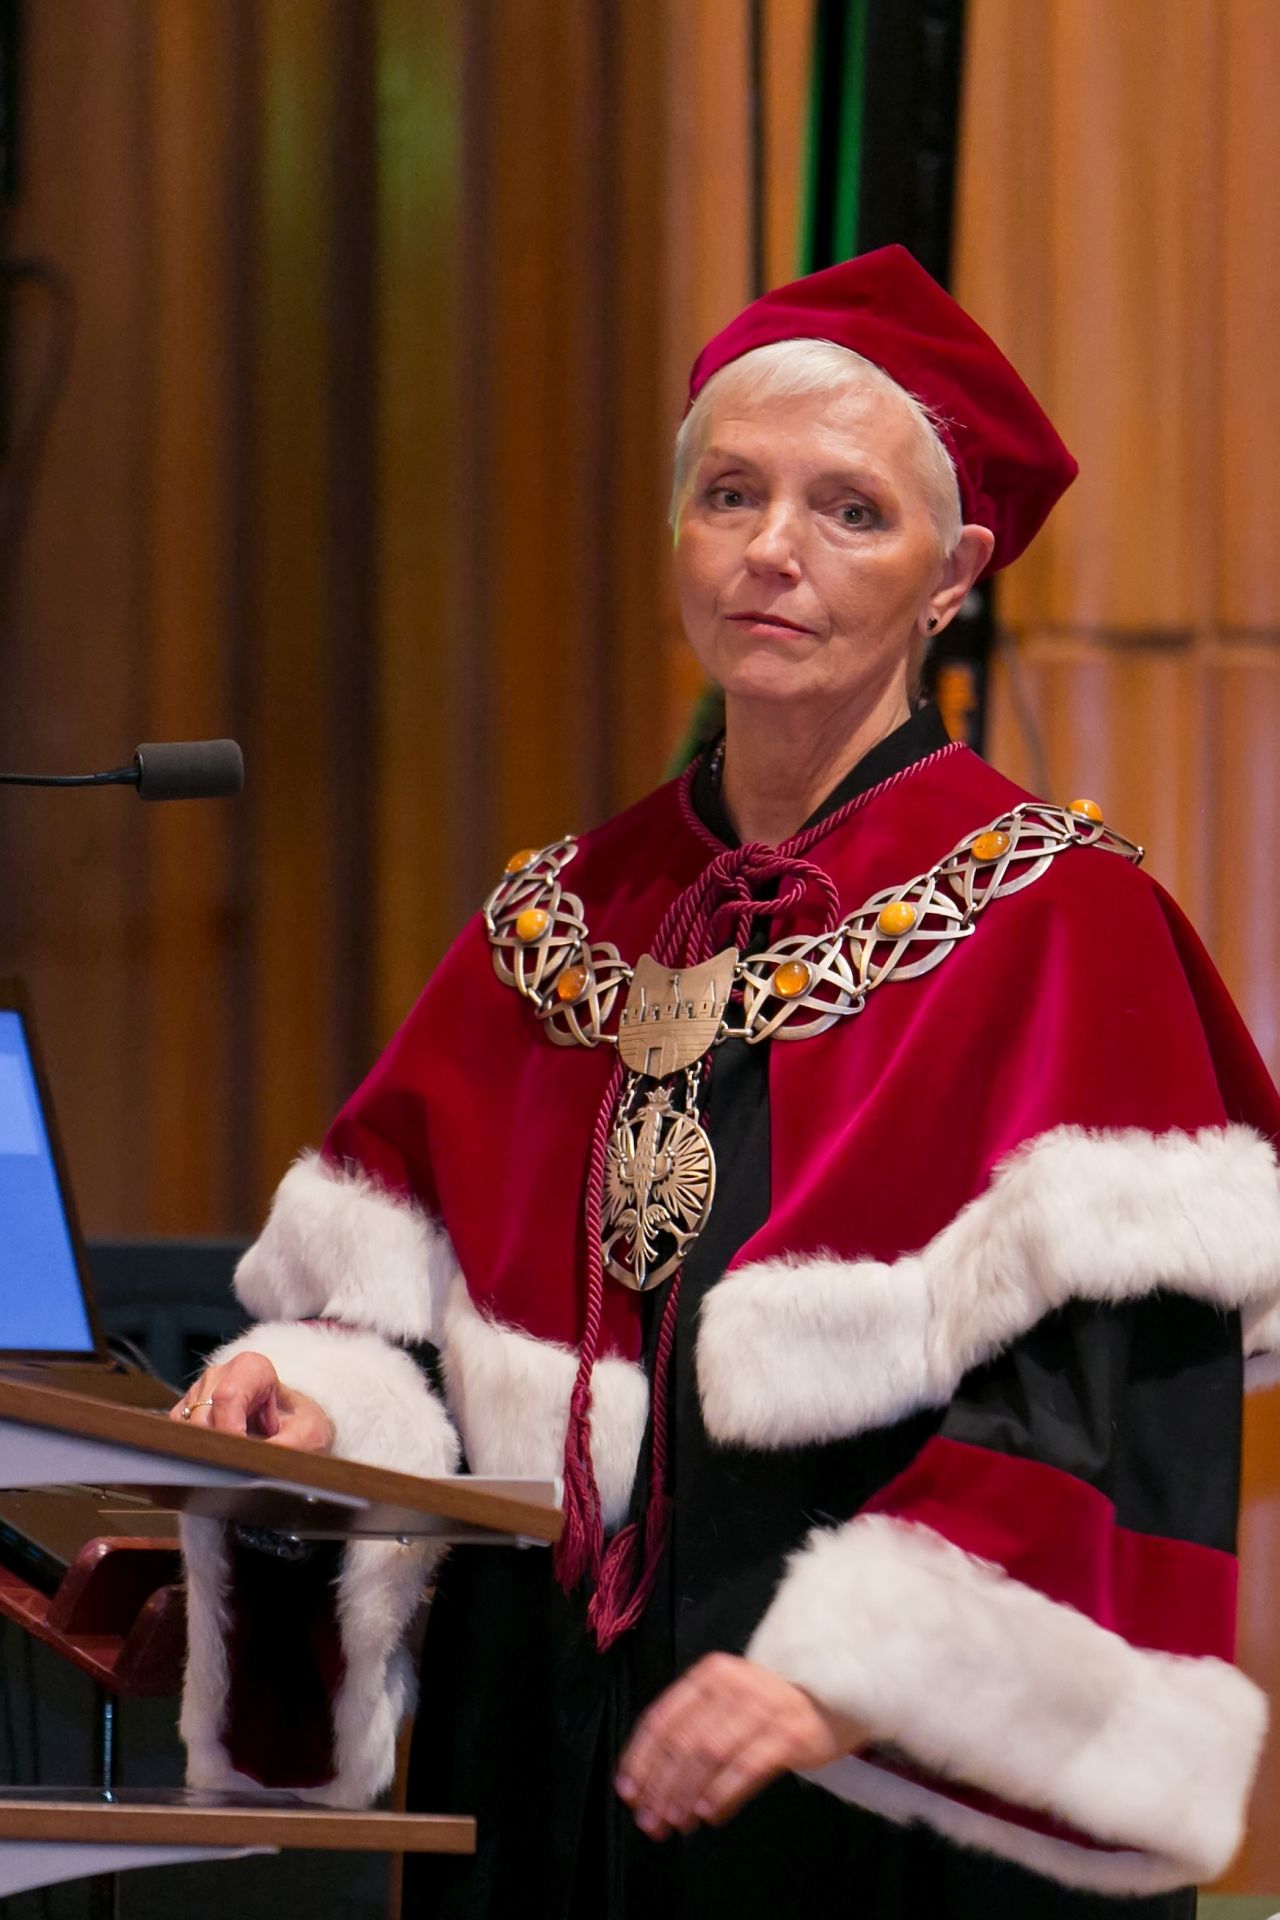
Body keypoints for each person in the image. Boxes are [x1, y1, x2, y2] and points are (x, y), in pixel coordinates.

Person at [173, 245, 1280, 1919]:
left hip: (878, 1806)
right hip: (549, 1757)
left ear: (953, 576)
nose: (773, 549)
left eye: (851, 512)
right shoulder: (553, 922)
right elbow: (401, 1324)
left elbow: (1117, 1401)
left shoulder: (1063, 920)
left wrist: (862, 1673)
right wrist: (316, 1411)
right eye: (731, 494)